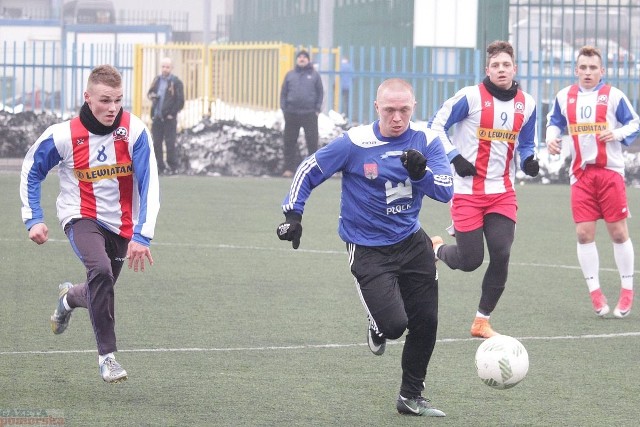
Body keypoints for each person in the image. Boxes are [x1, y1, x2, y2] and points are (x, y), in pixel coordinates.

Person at [276, 78, 453, 416]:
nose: (397, 117)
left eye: (403, 110)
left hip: (412, 241)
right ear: (377, 108)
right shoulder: (355, 142)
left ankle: (410, 396)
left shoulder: (427, 141)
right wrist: (293, 215)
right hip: (368, 246)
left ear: (413, 107)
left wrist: (421, 173)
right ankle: (377, 323)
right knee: (393, 326)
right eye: (389, 110)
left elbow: (445, 190)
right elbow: (309, 169)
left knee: (426, 321)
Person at [19, 64, 160, 383]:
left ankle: (68, 298)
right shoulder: (64, 135)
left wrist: (142, 235)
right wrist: (34, 219)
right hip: (79, 216)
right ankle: (107, 358)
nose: (112, 108)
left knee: (101, 286)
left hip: (122, 226)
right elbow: (31, 170)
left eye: (118, 100)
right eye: (105, 100)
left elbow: (150, 182)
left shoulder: (134, 131)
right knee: (101, 272)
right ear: (87, 97)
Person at [427, 40, 540, 338]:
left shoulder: (527, 104)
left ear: (514, 68)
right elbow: (434, 126)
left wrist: (528, 160)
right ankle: (437, 248)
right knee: (470, 261)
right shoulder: (469, 97)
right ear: (487, 69)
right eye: (495, 65)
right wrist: (455, 157)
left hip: (502, 191)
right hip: (466, 192)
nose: (501, 70)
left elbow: (526, 142)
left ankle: (481, 320)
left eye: (506, 65)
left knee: (501, 251)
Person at [546, 45, 639, 318]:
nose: (588, 72)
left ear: (602, 71)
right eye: (583, 68)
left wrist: (617, 133)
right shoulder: (564, 96)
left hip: (610, 172)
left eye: (593, 68)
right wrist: (551, 137)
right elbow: (554, 122)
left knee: (619, 233)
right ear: (576, 70)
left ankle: (627, 291)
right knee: (584, 234)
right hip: (581, 175)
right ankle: (596, 293)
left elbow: (634, 122)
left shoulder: (614, 96)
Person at [279, 49, 324, 177]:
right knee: (289, 141)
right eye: (300, 57)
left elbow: (320, 93)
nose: (302, 59)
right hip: (291, 113)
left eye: (304, 57)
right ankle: (289, 169)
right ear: (297, 60)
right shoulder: (290, 75)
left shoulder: (314, 75)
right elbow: (283, 93)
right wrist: (284, 109)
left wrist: (317, 109)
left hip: (309, 113)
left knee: (312, 141)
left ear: (308, 60)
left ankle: (312, 170)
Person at [147, 57, 185, 175]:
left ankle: (173, 167)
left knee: (170, 143)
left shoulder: (176, 82)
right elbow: (150, 92)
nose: (165, 69)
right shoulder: (157, 80)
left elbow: (180, 101)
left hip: (169, 119)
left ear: (171, 68)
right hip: (157, 117)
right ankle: (160, 167)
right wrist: (152, 96)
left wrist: (171, 114)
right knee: (156, 143)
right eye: (163, 66)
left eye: (167, 67)